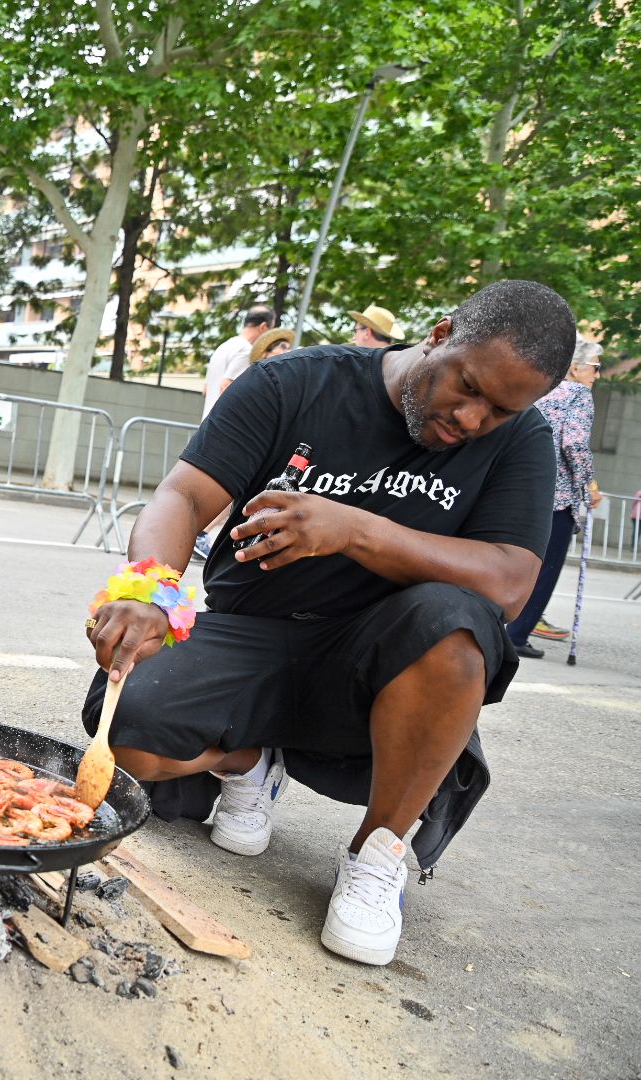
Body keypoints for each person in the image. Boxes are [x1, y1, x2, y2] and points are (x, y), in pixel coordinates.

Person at [83, 280, 575, 967]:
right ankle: (249, 760)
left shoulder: (522, 440)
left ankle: (378, 853)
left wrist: (352, 530)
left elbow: (511, 581)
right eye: (467, 386)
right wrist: (150, 592)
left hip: (377, 663)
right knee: (123, 723)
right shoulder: (298, 381)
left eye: (499, 409)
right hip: (256, 626)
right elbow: (185, 496)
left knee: (459, 625)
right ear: (439, 334)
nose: (471, 417)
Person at [506, 338, 602, 659]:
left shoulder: (544, 389)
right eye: (595, 367)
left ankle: (501, 626)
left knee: (517, 563)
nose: (597, 375)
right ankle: (517, 634)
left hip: (525, 489)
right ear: (576, 367)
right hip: (558, 498)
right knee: (545, 569)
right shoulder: (578, 395)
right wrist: (588, 484)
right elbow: (574, 445)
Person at [192, 306, 275, 561]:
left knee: (227, 489)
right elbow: (227, 385)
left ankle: (198, 533)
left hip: (212, 423)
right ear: (263, 327)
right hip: (231, 429)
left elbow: (208, 388)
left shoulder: (225, 346)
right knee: (235, 489)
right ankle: (200, 533)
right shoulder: (243, 350)